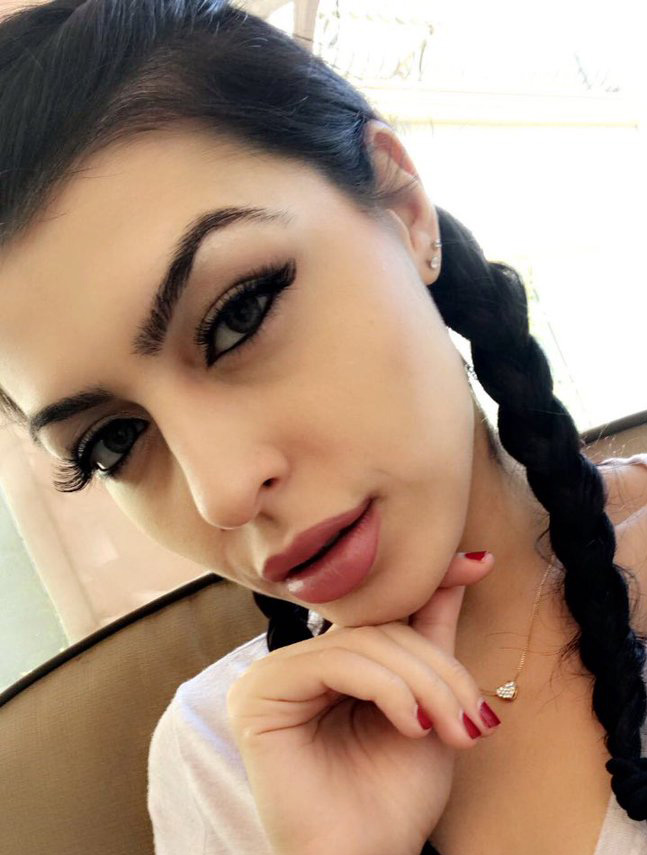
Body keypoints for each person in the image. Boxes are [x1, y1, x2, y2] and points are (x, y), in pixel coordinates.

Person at [0, 1, 646, 853]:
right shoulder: (221, 757)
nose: (222, 491)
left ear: (402, 209)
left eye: (237, 315)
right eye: (110, 442)